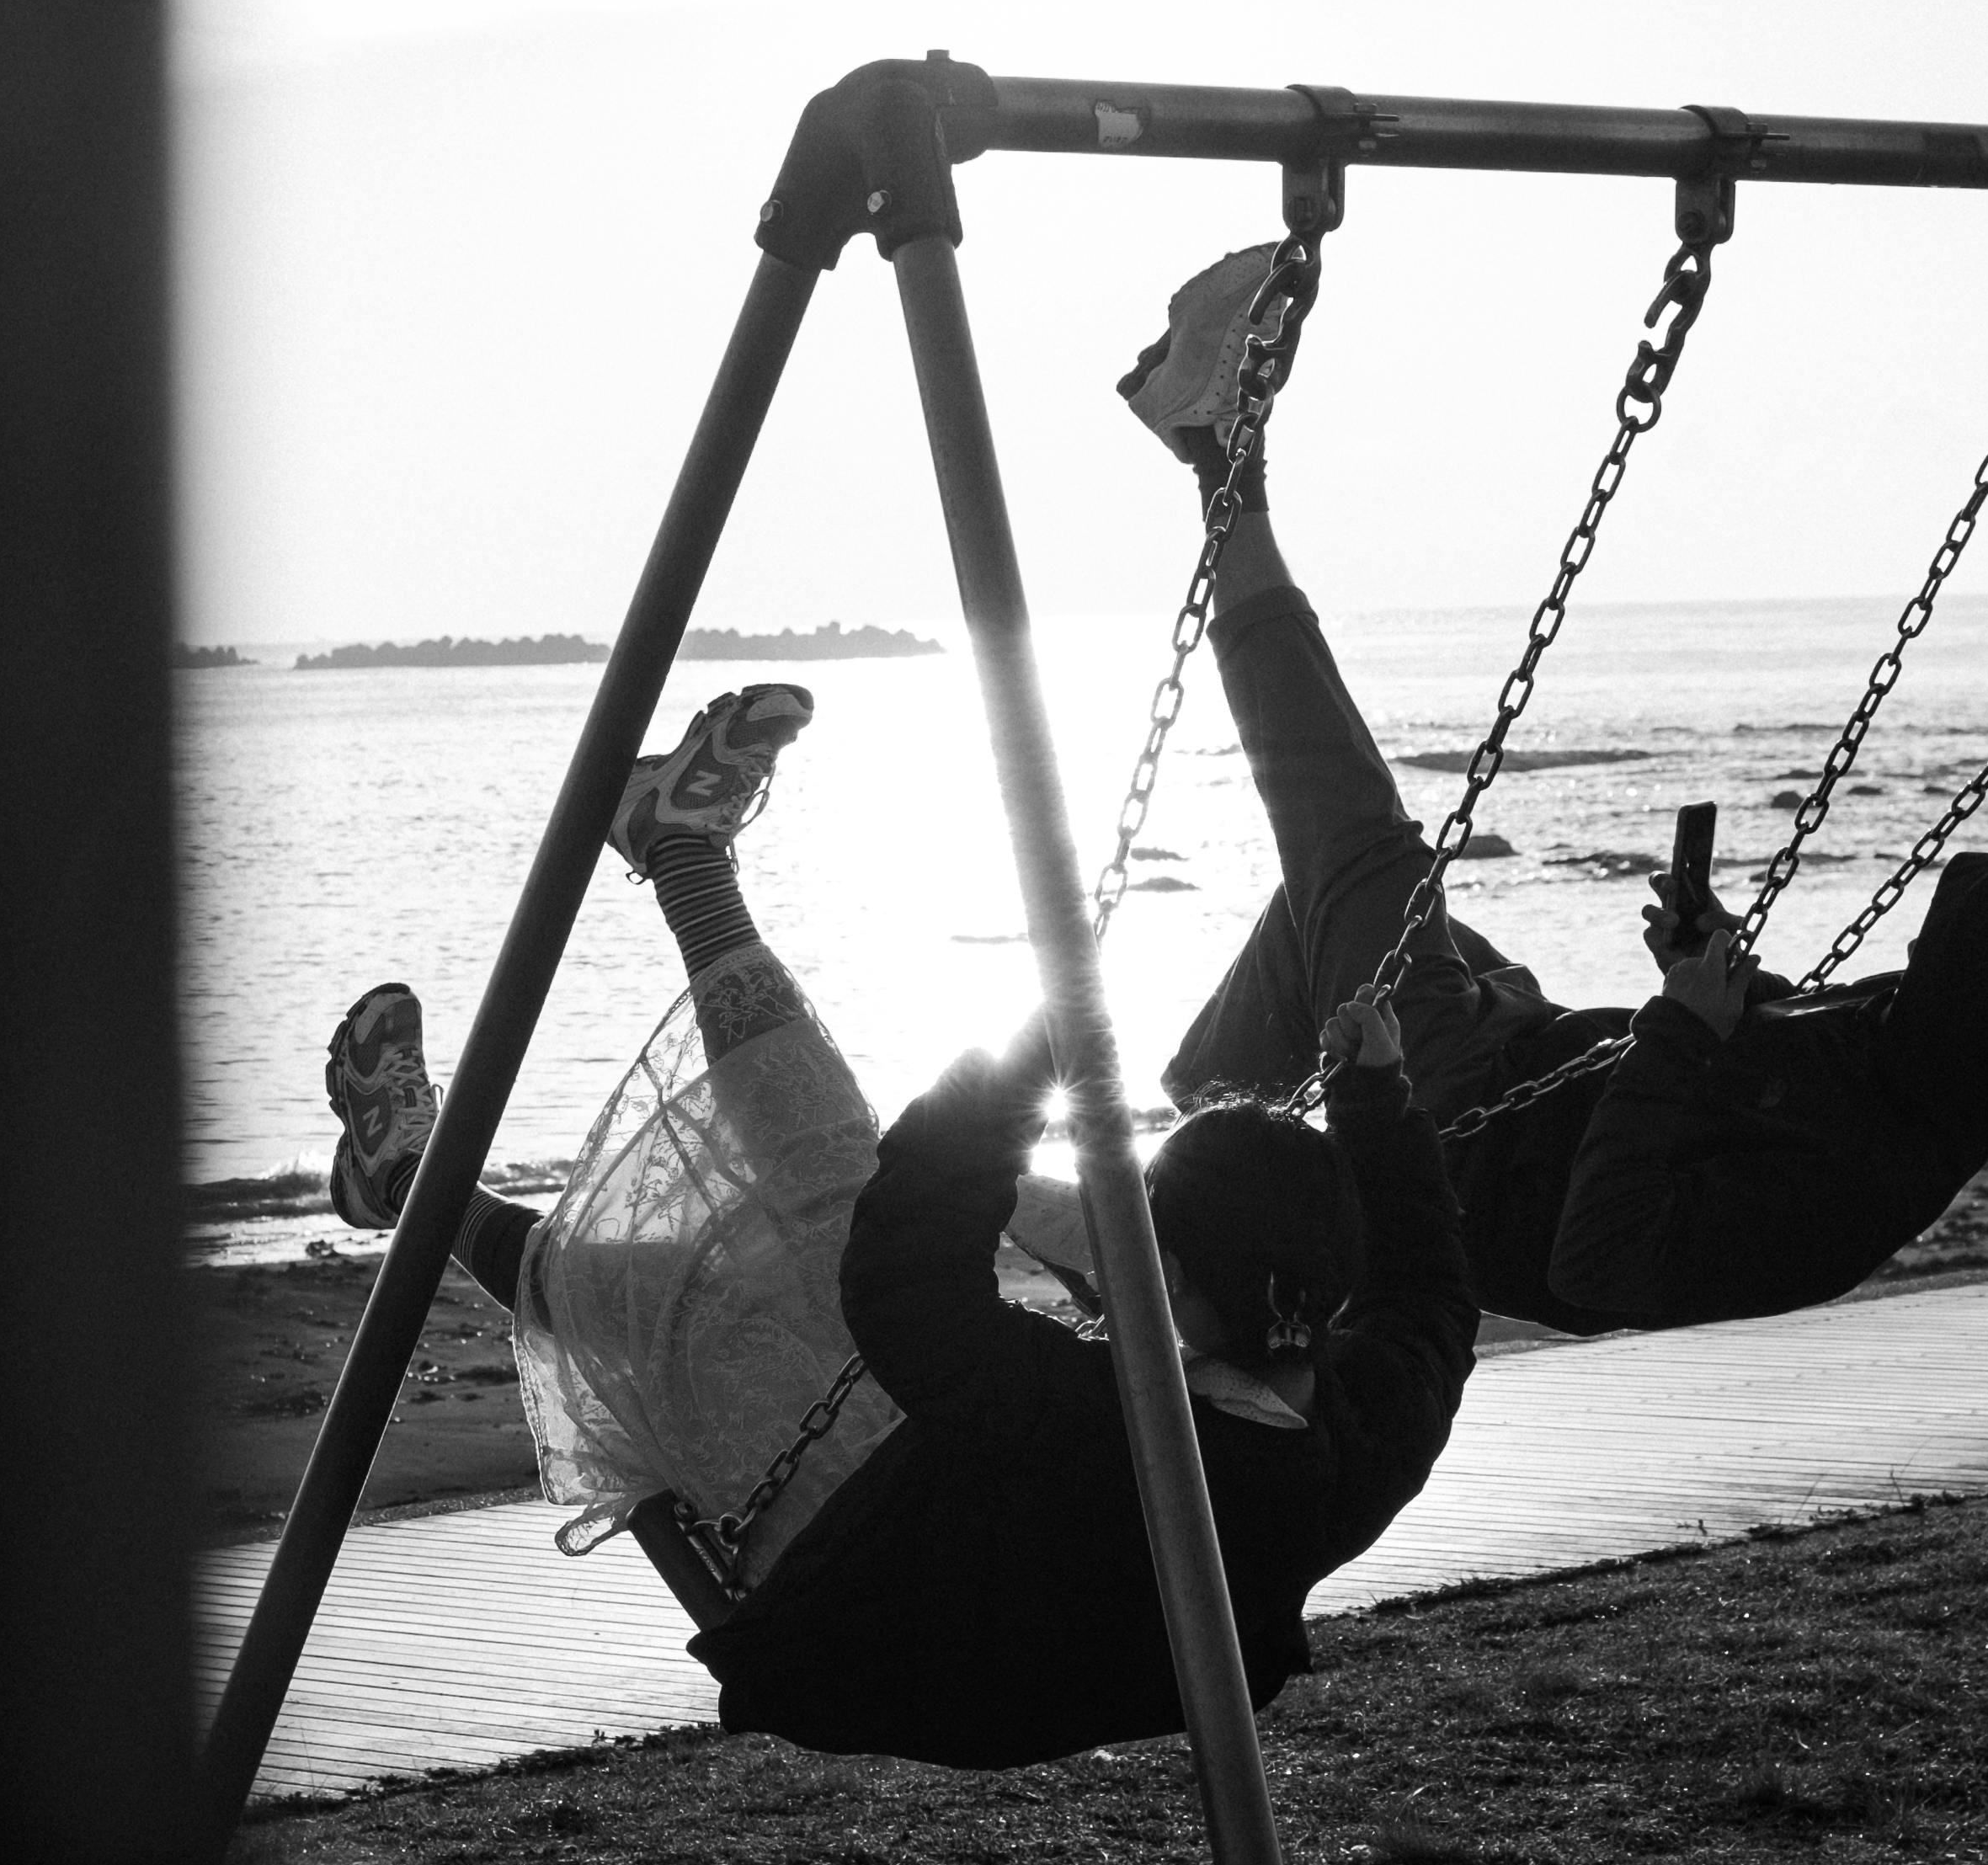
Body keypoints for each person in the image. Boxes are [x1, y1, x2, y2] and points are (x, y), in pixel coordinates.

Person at [324, 684, 1482, 1771]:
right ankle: (412, 1168)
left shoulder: (1115, 1435)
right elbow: (1430, 1291)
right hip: (999, 1620)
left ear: (1165, 1276)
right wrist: (1376, 1097)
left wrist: (1031, 1054)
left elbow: (906, 1282)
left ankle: (671, 863)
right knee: (726, 1272)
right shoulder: (1348, 1439)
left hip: (867, 1613)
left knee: (813, 1206)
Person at [1121, 244, 1988, 1333]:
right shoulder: (1923, 1058)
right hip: (1525, 1049)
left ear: (1974, 1008)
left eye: (1934, 963)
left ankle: (1217, 449)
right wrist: (1725, 981)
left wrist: (1682, 1033)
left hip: (1467, 1140)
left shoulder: (1854, 1188)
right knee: (1325, 910)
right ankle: (1204, 1168)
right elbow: (1779, 1075)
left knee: (1356, 843)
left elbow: (1597, 1269)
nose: (1909, 965)